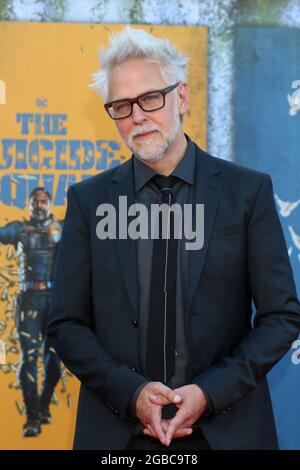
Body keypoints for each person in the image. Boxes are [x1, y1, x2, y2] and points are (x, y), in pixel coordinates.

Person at [47, 27, 300, 450]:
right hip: (121, 435)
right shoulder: (88, 201)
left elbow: (281, 317)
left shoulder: (247, 192)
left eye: (150, 98)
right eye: (121, 106)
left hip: (228, 432)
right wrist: (131, 394)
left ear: (181, 97)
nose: (137, 117)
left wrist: (209, 393)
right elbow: (65, 323)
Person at [0, 187, 62, 437]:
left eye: (43, 201)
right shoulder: (18, 229)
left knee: (55, 362)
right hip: (28, 300)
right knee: (29, 359)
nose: (38, 204)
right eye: (35, 201)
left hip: (55, 300)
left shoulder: (62, 228)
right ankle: (33, 418)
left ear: (49, 204)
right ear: (29, 205)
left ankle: (44, 406)